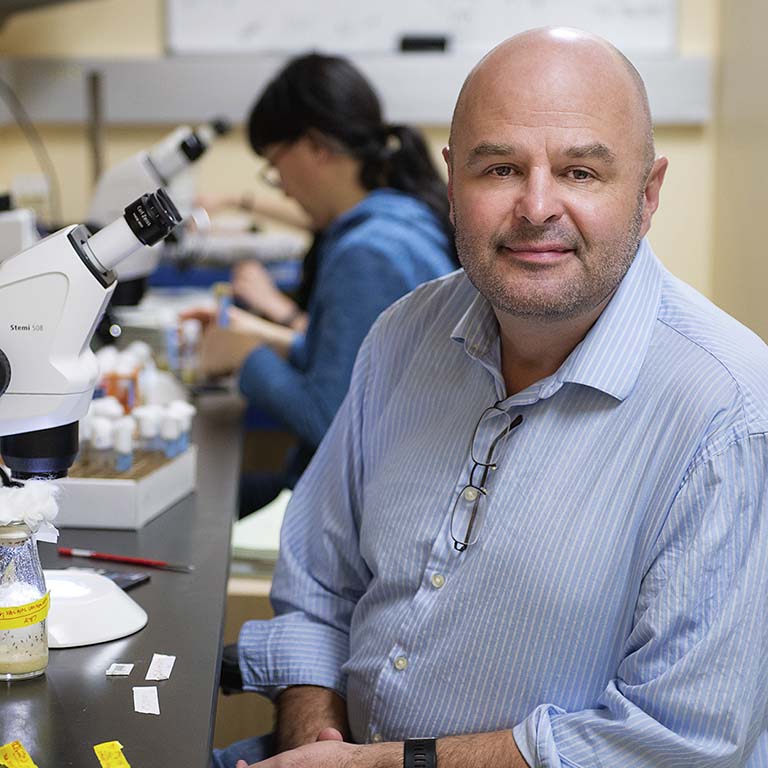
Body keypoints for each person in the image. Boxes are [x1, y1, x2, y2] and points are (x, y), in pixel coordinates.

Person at [214, 27, 768, 768]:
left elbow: (680, 748)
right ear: (451, 183)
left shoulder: (728, 416)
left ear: (649, 193)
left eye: (580, 172)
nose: (537, 208)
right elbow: (318, 587)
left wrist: (374, 766)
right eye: (500, 168)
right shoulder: (403, 337)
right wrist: (316, 732)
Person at [193, 52, 457, 516]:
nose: (283, 188)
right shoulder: (401, 217)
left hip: (360, 501)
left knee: (193, 509)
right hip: (380, 480)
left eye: (276, 165)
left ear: (316, 146)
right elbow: (359, 369)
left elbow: (327, 416)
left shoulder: (366, 253)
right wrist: (269, 344)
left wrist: (246, 356)